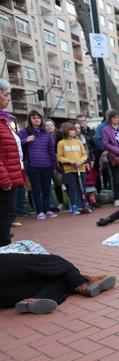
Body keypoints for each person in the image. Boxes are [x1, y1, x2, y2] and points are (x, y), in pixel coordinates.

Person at [0, 240, 115, 314]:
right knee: (56, 261)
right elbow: (50, 261)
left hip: (4, 296)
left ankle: (36, 300)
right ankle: (82, 284)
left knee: (60, 280)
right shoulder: (25, 245)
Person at [17, 110, 57, 220]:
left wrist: (53, 166)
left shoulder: (47, 134)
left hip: (46, 165)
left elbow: (51, 150)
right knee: (36, 189)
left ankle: (47, 209)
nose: (36, 119)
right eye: (33, 118)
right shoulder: (24, 132)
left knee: (47, 188)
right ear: (30, 120)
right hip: (32, 165)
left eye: (38, 117)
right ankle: (39, 211)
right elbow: (16, 143)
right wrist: (26, 140)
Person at [0, 79, 25, 246]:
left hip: (12, 173)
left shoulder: (4, 120)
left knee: (8, 213)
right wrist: (4, 178)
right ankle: (4, 247)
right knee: (4, 213)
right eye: (6, 94)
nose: (8, 98)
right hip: (5, 178)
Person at [56, 121, 88, 215]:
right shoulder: (61, 143)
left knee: (82, 188)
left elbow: (84, 155)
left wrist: (80, 161)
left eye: (74, 130)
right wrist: (70, 162)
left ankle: (84, 205)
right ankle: (74, 206)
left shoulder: (79, 142)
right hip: (69, 170)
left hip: (80, 169)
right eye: (71, 130)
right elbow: (60, 157)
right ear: (66, 131)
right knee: (72, 189)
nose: (74, 131)